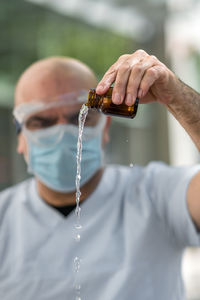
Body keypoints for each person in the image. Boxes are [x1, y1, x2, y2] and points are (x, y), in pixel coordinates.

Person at [0, 50, 200, 300]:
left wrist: (177, 97)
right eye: (41, 122)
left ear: (105, 127)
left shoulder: (156, 194)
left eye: (78, 119)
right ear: (20, 137)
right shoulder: (4, 218)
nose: (63, 133)